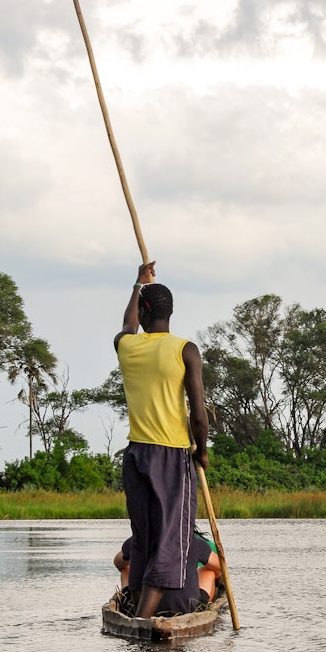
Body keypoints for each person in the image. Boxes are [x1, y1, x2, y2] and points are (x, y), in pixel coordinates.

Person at [114, 262, 209, 619]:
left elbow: (127, 325)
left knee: (145, 535)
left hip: (136, 455)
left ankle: (136, 609)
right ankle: (142, 620)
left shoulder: (127, 346)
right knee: (172, 537)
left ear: (144, 311)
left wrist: (138, 284)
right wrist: (202, 452)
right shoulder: (186, 350)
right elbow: (198, 414)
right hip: (171, 455)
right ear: (169, 312)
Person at [113, 529, 222, 614]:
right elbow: (220, 568)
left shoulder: (138, 539)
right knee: (209, 571)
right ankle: (203, 606)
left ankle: (127, 600)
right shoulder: (194, 541)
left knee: (127, 568)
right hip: (188, 609)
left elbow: (118, 562)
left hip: (138, 608)